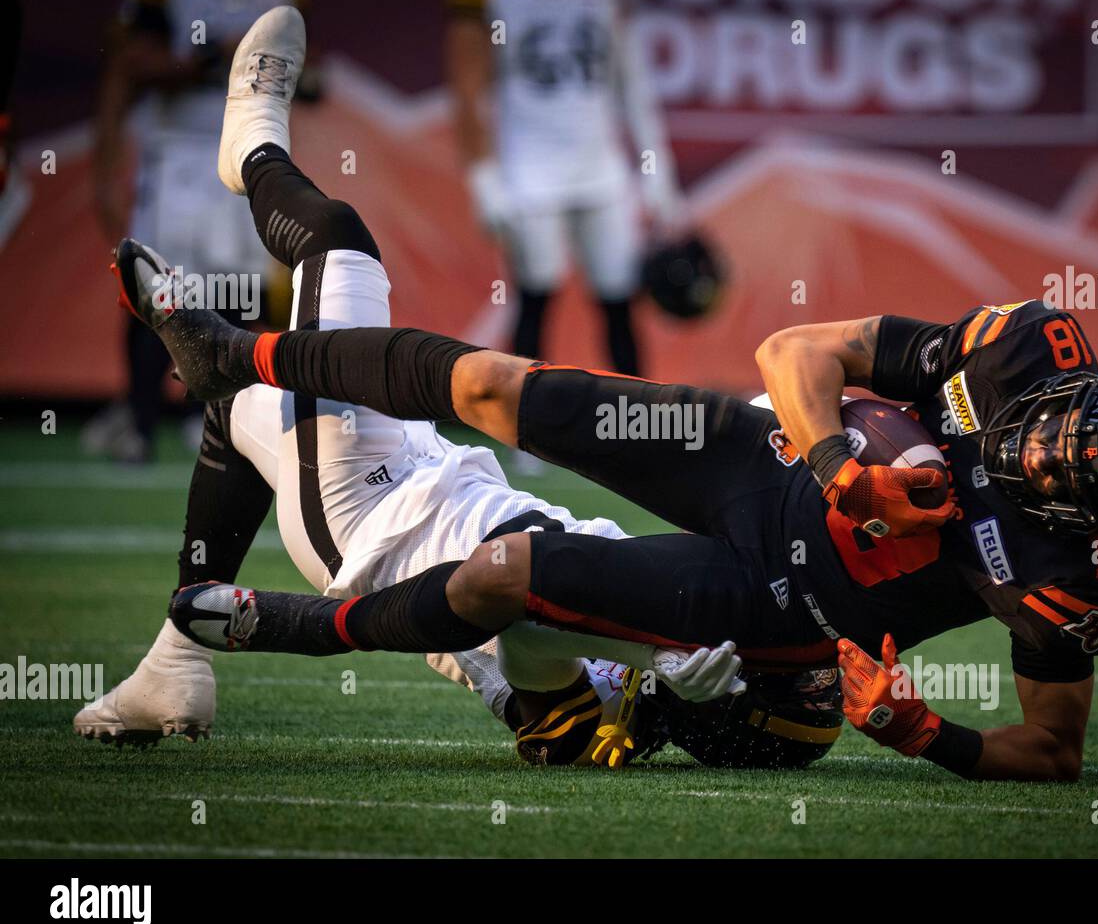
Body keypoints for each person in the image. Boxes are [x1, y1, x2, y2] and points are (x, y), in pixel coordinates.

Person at [132, 8, 1098, 782]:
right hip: (766, 464)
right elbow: (797, 349)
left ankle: (288, 608)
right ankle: (243, 361)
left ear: (1097, 524)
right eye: (1050, 435)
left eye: (1052, 479)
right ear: (1087, 385)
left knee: (514, 567)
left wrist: (918, 728)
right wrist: (844, 469)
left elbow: (1052, 752)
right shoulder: (1023, 351)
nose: (1031, 455)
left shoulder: (1076, 580)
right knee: (492, 384)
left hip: (778, 602)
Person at [87, 235, 835, 765]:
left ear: (737, 701)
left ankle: (256, 127)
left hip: (370, 525)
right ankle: (170, 664)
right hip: (439, 476)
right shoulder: (707, 610)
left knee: (336, 248)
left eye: (804, 679)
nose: (806, 656)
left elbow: (525, 599)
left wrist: (648, 645)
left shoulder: (590, 730)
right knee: (236, 407)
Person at [85, 0, 289, 462]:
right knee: (158, 290)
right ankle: (140, 418)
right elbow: (132, 63)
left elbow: (306, 70)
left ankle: (218, 419)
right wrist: (210, 57)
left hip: (244, 154)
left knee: (234, 293)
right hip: (177, 156)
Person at [446, 0, 682, 386]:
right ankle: (523, 437)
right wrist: (484, 179)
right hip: (530, 175)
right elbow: (469, 88)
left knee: (618, 303)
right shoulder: (495, 0)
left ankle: (638, 431)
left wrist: (659, 173)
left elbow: (632, 87)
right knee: (535, 301)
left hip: (602, 172)